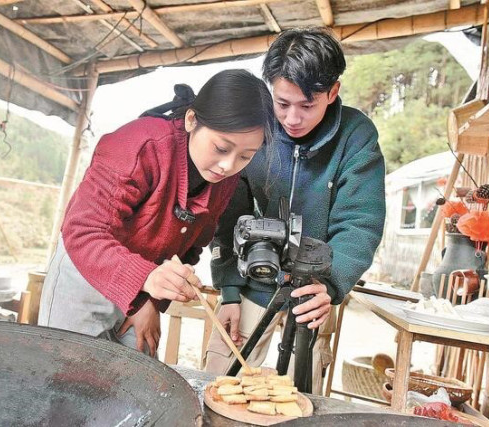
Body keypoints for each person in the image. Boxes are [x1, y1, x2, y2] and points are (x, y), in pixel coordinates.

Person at [38, 69, 274, 358]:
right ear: (191, 120)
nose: (228, 166)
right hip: (87, 274)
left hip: (144, 284)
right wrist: (142, 283)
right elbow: (82, 230)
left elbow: (193, 244)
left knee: (136, 379)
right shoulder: (138, 145)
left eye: (245, 156)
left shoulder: (224, 181)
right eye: (221, 148)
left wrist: (150, 300)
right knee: (70, 378)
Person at [204, 28, 386, 394]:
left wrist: (330, 283)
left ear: (333, 92)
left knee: (303, 401)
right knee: (220, 388)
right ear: (270, 86)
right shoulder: (253, 129)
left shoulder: (357, 135)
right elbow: (227, 213)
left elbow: (360, 223)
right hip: (250, 283)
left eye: (307, 105)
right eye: (282, 103)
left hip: (313, 292)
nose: (292, 118)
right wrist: (227, 290)